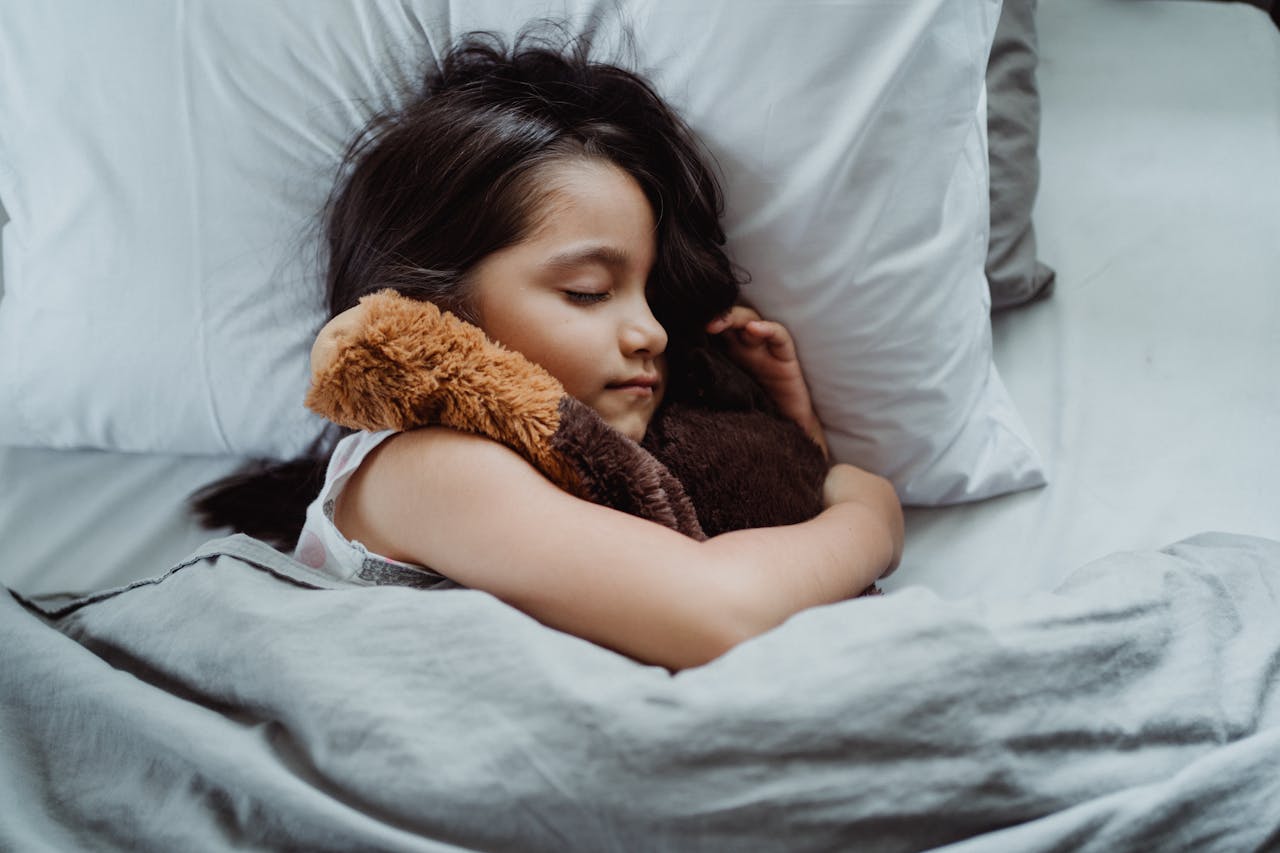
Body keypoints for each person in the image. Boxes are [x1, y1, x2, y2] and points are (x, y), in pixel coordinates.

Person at [196, 30, 902, 671]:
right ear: (431, 306)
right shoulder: (425, 465)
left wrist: (794, 439)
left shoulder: (598, 466)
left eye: (653, 297)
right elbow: (718, 612)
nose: (652, 332)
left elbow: (757, 545)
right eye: (589, 292)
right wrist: (870, 516)